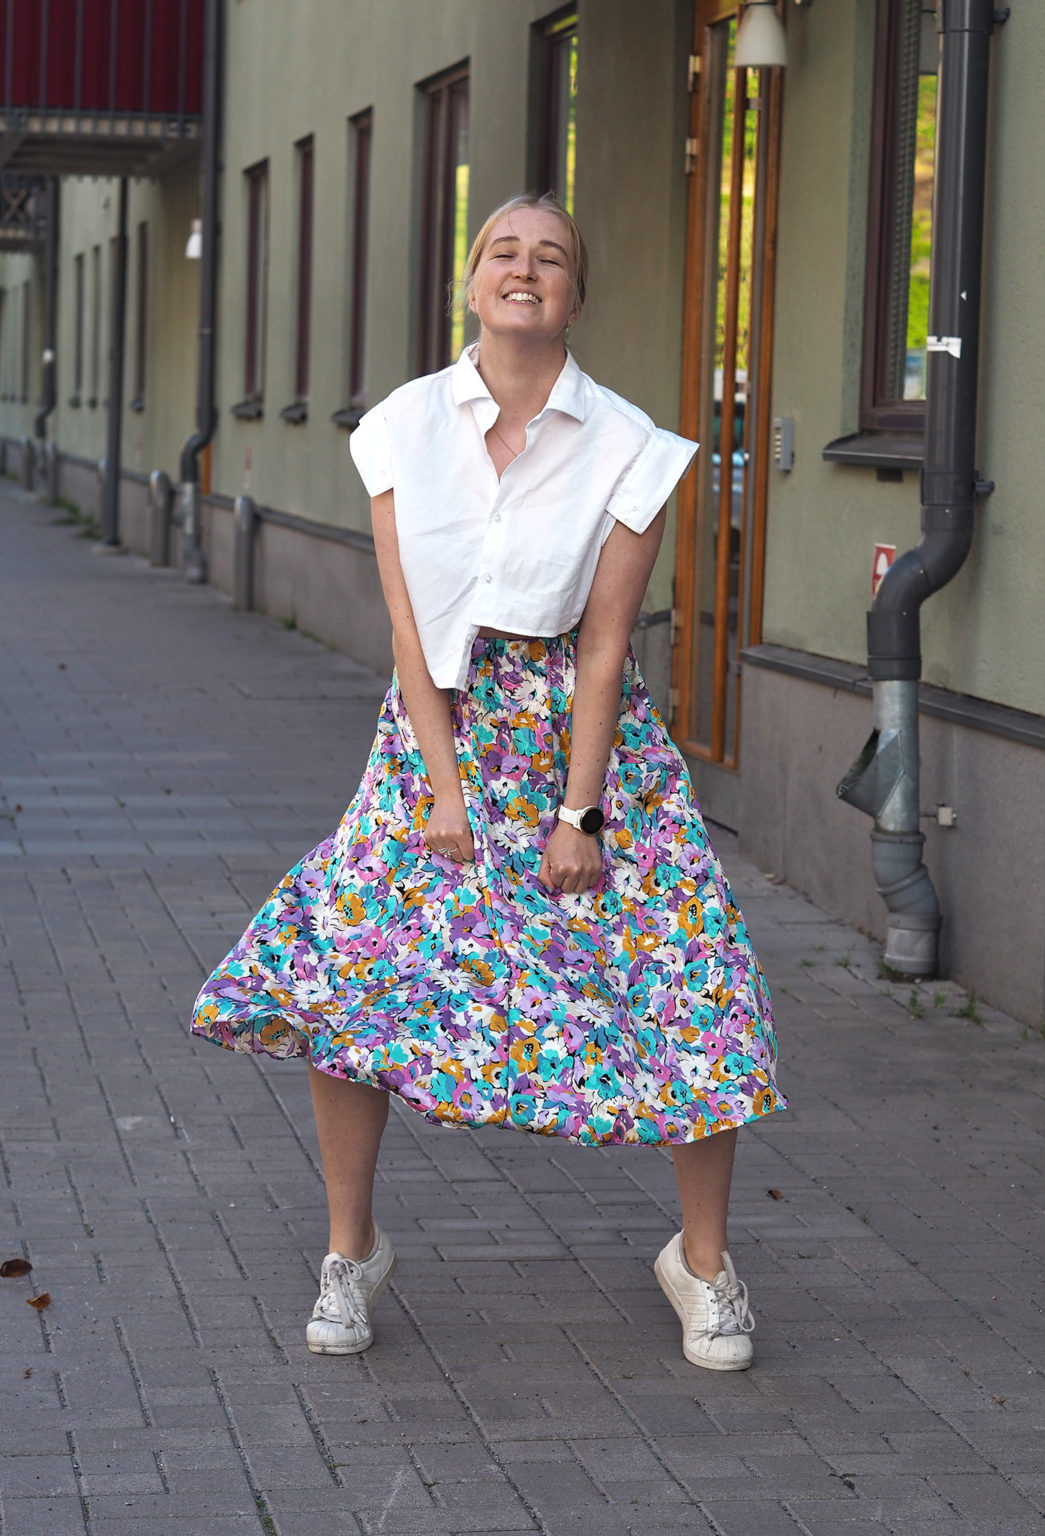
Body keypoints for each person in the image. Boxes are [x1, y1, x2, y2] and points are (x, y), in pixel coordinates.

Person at [191, 192, 783, 1372]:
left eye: (551, 257)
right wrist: (445, 787)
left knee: (687, 970)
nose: (526, 272)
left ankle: (705, 1267)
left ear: (576, 292)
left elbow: (607, 644)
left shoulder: (630, 445)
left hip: (579, 737)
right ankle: (350, 1252)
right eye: (503, 253)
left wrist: (581, 810)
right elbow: (406, 625)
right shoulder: (402, 427)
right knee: (356, 971)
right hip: (436, 728)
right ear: (471, 282)